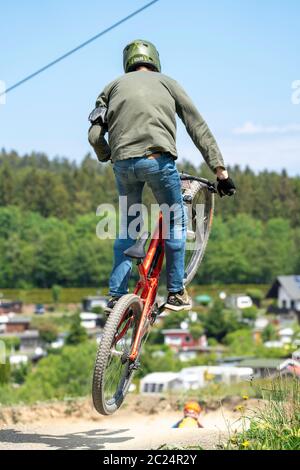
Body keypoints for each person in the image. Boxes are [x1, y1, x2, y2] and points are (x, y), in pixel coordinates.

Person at [88, 39, 236, 312]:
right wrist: (220, 170)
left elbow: (95, 135)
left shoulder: (111, 87)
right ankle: (176, 292)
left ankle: (115, 295)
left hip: (123, 165)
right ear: (154, 60)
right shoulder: (168, 83)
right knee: (175, 223)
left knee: (128, 228)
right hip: (158, 161)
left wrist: (107, 154)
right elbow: (197, 126)